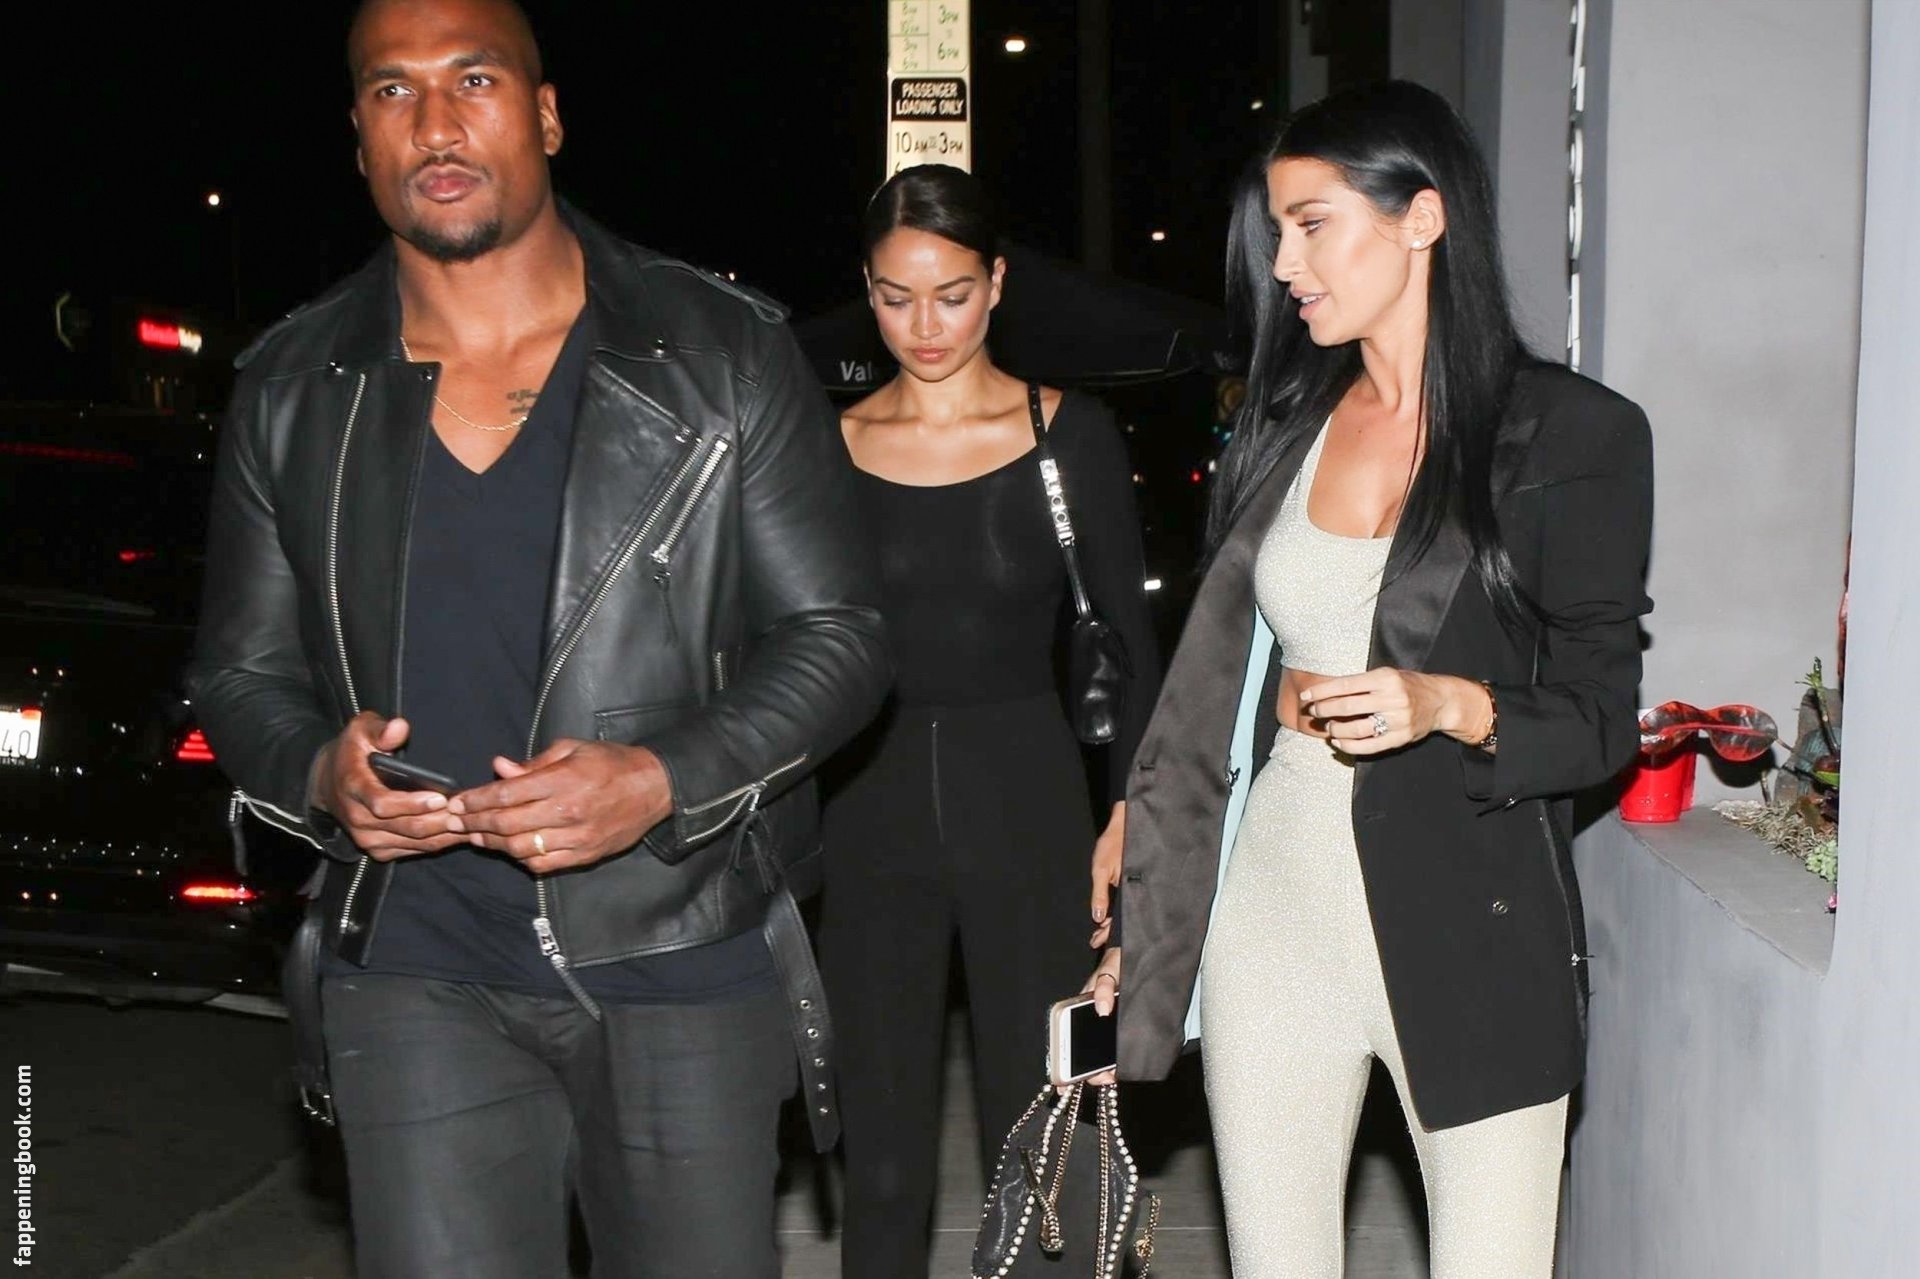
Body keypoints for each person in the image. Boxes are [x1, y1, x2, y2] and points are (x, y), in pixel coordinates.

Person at [184, 1, 889, 1275]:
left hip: (680, 946)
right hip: (413, 961)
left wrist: (663, 777)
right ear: (359, 138)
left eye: (474, 80)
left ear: (547, 114)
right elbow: (240, 672)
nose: (434, 123)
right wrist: (319, 772)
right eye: (393, 91)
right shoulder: (291, 386)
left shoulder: (719, 349)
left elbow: (837, 636)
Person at [1089, 81, 1654, 1278]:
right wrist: (1150, 829)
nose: (1284, 264)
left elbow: (1604, 719)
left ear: (1422, 219)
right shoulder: (1281, 424)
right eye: (1277, 232)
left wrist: (1451, 703)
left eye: (1312, 225)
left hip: (1473, 912)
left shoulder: (1572, 436)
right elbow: (1218, 672)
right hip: (1276, 901)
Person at [818, 164, 1161, 1278]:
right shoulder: (825, 446)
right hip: (865, 815)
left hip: (1029, 805)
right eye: (895, 296)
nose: (925, 325)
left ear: (999, 282)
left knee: (1045, 1139)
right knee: (880, 1163)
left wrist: (1130, 815)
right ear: (867, 290)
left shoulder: (1071, 434)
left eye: (953, 294)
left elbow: (1130, 648)